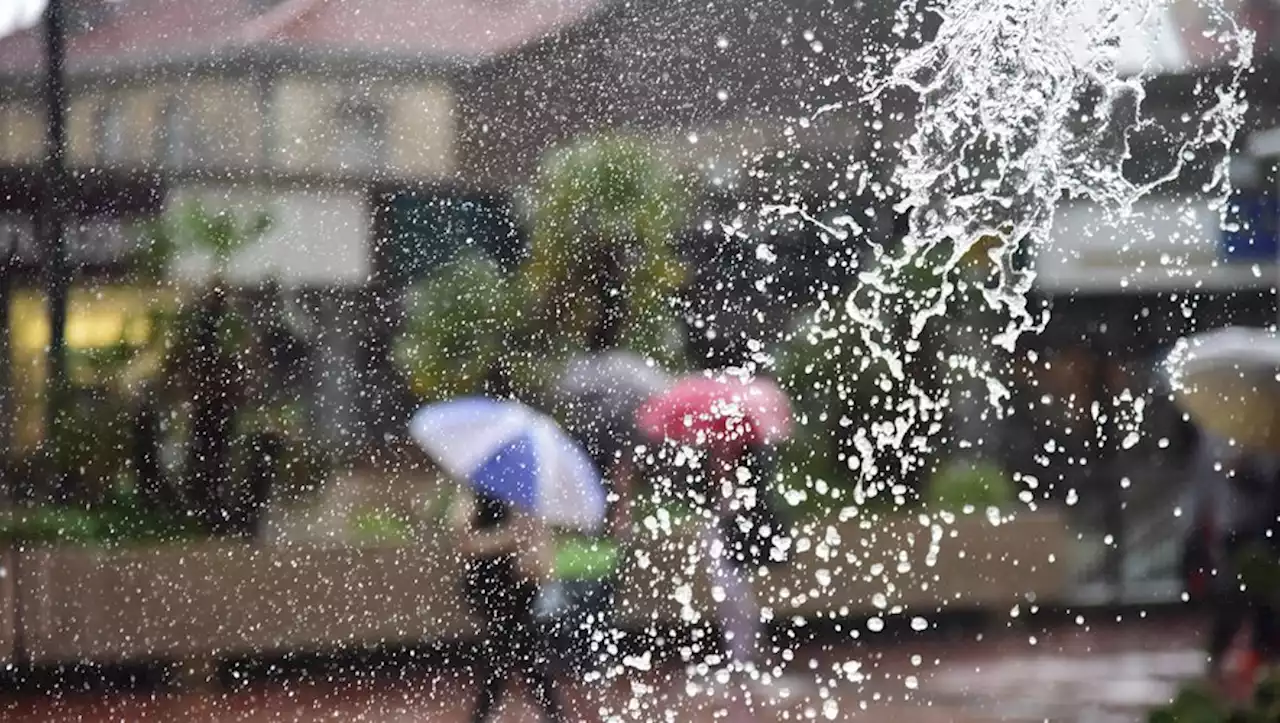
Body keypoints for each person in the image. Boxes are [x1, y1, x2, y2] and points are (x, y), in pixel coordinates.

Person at [448, 486, 567, 723]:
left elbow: (540, 541)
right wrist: (508, 537)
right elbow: (465, 543)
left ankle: (487, 714)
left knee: (513, 650)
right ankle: (551, 714)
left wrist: (541, 564)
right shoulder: (475, 493)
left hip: (522, 585)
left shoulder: (527, 497)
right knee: (517, 651)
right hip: (490, 586)